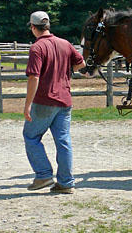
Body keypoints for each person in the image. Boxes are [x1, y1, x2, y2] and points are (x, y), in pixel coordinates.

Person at [22, 11, 85, 194]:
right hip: (65, 100)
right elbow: (81, 64)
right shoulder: (65, 43)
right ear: (48, 26)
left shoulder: (37, 48)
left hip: (44, 101)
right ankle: (66, 183)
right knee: (63, 141)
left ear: (33, 27)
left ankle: (43, 174)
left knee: (31, 137)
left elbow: (34, 77)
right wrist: (65, 70)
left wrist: (28, 104)